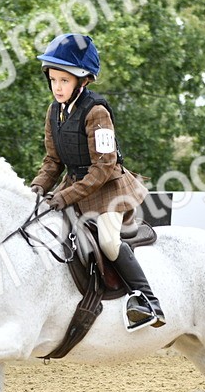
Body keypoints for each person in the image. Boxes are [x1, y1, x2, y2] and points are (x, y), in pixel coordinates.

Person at [28, 33, 164, 330]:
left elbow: (103, 168)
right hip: (75, 184)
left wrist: (64, 197)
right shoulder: (54, 111)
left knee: (108, 241)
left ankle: (148, 300)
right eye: (53, 80)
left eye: (64, 80)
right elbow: (53, 161)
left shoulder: (96, 111)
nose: (57, 87)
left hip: (107, 190)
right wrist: (38, 187)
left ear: (82, 80)